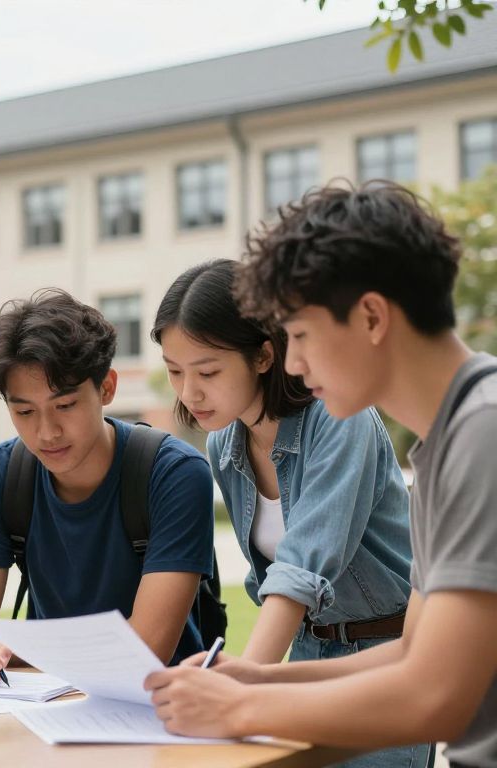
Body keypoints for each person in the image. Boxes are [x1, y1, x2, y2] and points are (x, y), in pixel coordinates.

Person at [146, 182, 497, 768]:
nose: (293, 362)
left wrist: (239, 708)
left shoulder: (484, 432)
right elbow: (412, 652)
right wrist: (256, 680)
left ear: (372, 317)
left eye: (302, 336)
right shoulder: (448, 442)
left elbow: (435, 695)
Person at [152, 259, 429, 767]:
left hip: (383, 659)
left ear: (263, 355)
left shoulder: (341, 416)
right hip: (304, 656)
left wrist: (242, 688)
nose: (189, 392)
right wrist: (254, 680)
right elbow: (273, 578)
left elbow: (300, 569)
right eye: (175, 371)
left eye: (207, 371)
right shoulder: (223, 446)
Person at [0, 289, 214, 686]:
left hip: (159, 704)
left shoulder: (174, 473)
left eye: (65, 405)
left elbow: (145, 649)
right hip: (44, 699)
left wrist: (17, 650)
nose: (46, 432)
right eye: (24, 411)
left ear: (107, 388)